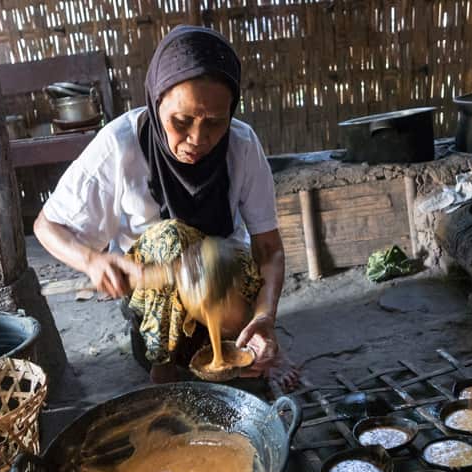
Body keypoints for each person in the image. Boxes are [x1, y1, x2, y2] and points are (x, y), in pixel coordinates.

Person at [34, 25, 298, 390]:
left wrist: (266, 317)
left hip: (220, 285)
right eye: (181, 121)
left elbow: (268, 249)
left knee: (216, 261)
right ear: (157, 100)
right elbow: (47, 226)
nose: (197, 140)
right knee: (173, 239)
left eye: (215, 123)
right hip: (155, 293)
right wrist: (92, 261)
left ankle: (248, 343)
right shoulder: (119, 145)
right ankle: (165, 365)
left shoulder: (242, 144)